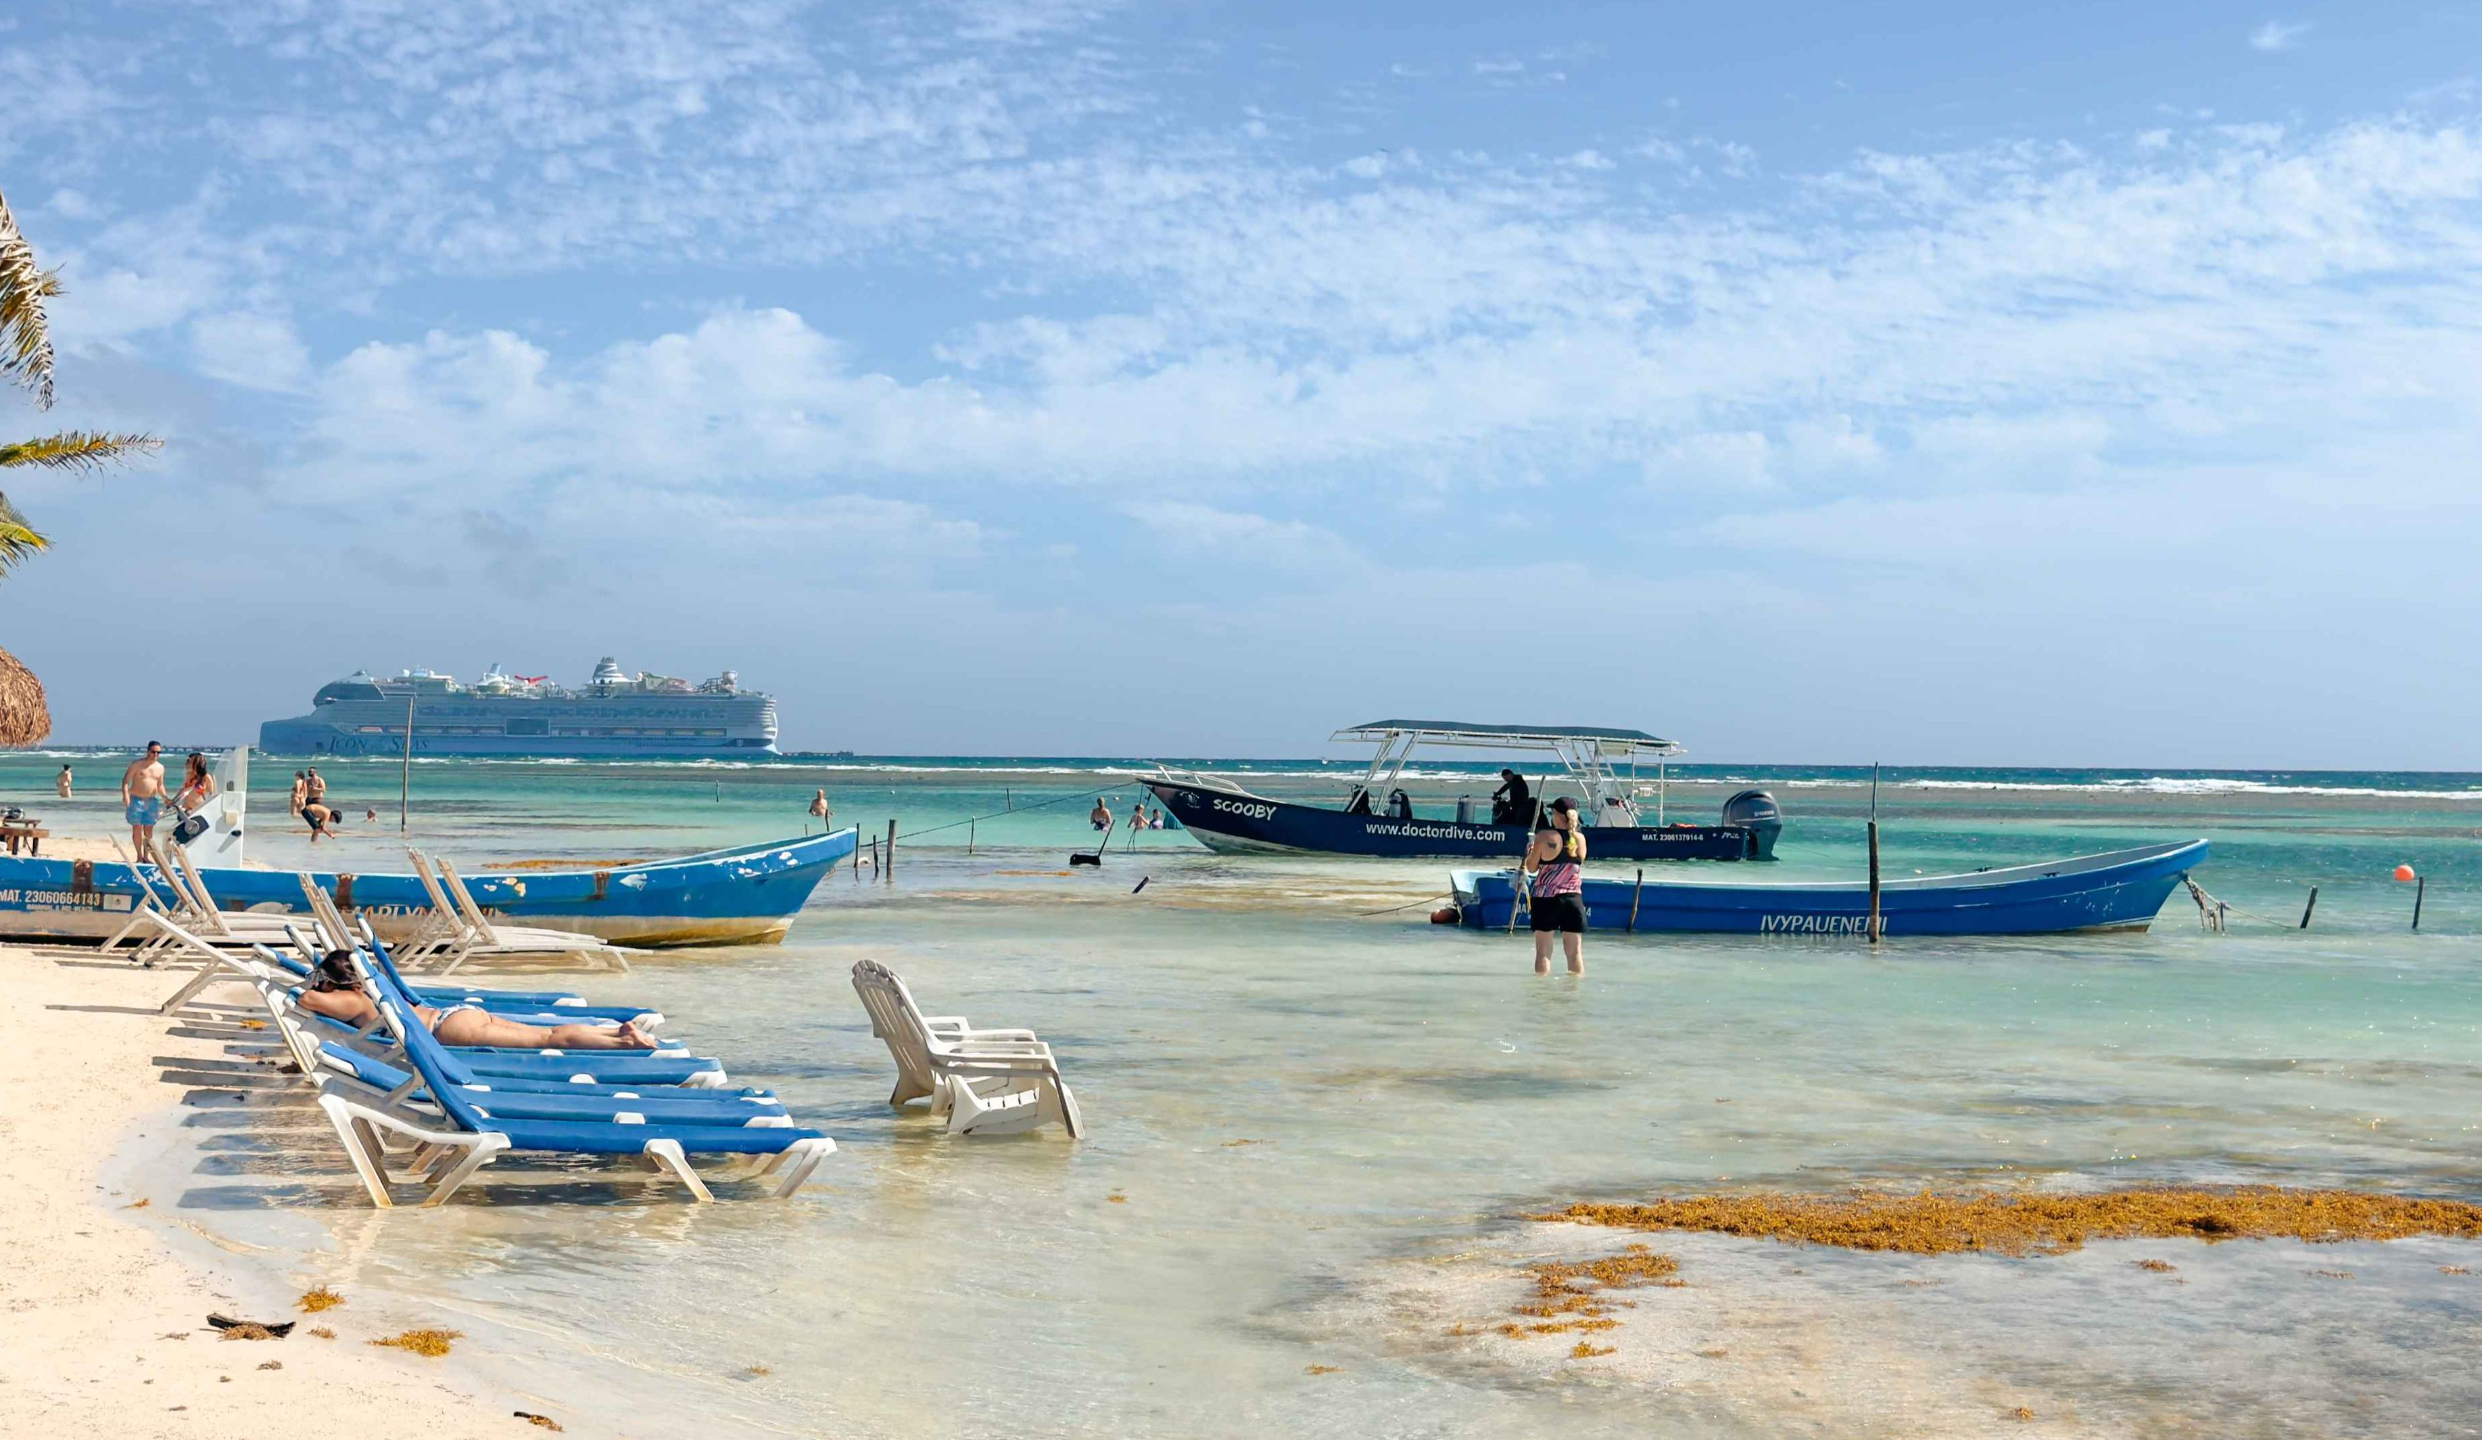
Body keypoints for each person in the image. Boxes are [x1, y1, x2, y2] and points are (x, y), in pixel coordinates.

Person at [294, 950, 657, 1050]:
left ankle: (623, 1041)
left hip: (448, 1029)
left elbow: (307, 999)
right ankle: (616, 1035)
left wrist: (318, 982)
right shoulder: (372, 988)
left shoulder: (354, 1001)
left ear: (336, 981)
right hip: (455, 1016)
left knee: (548, 1038)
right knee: (548, 1034)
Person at [1521, 796, 1588, 976]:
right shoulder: (1580, 839)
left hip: (1545, 898)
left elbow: (1532, 868)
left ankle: (1541, 995)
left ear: (1557, 816)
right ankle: (1574, 996)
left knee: (1543, 953)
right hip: (1573, 899)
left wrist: (1530, 853)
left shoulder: (1544, 836)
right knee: (1574, 954)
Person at [120, 741, 167, 857]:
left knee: (149, 830)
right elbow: (126, 781)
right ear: (148, 751)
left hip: (151, 801)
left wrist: (165, 797)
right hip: (136, 800)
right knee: (136, 828)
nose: (156, 754)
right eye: (153, 752)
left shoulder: (160, 768)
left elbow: (160, 785)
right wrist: (125, 795)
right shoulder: (137, 764)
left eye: (158, 752)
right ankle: (139, 856)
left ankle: (146, 856)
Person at [173, 752, 217, 825]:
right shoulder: (189, 775)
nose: (187, 763)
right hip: (186, 808)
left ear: (196, 763)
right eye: (187, 761)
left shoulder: (206, 778)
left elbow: (211, 795)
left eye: (190, 761)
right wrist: (173, 801)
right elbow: (182, 789)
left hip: (198, 809)